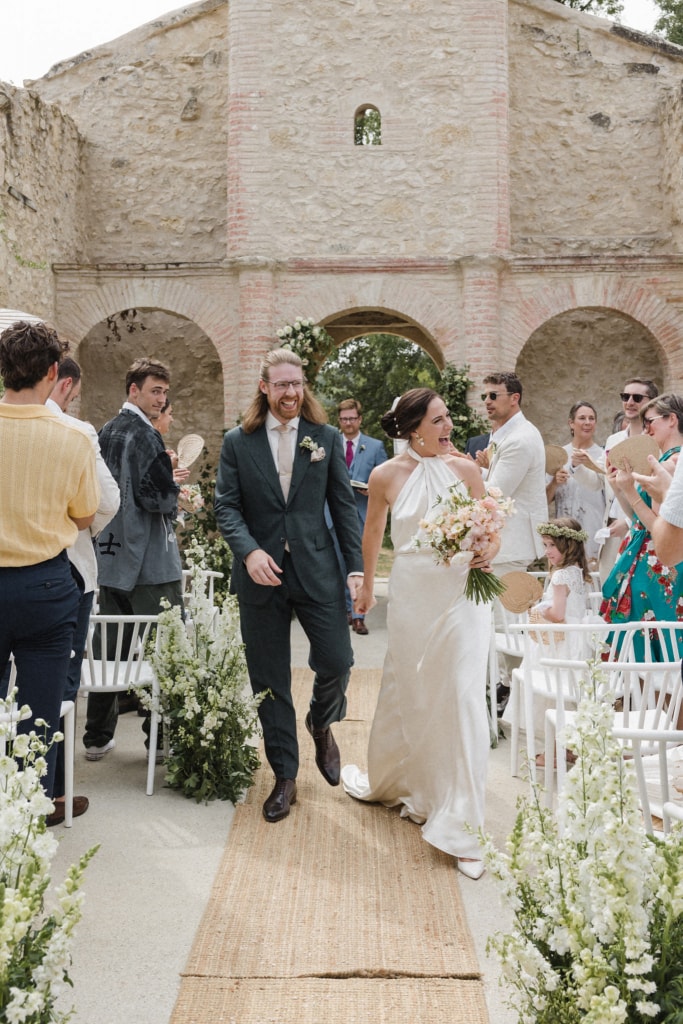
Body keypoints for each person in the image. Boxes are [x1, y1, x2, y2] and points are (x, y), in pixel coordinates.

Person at [341, 388, 499, 880]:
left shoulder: (468, 471)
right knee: (415, 691)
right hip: (413, 594)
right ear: (414, 429)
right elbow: (372, 534)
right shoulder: (385, 475)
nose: (449, 425)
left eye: (448, 416)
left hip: (461, 593)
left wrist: (487, 549)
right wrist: (366, 587)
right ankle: (415, 783)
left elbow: (492, 528)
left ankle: (464, 828)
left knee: (464, 695)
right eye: (439, 419)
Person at [214, 348, 363, 824]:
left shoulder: (325, 437)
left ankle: (321, 722)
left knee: (338, 661)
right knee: (270, 679)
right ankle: (285, 776)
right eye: (281, 385)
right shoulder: (239, 442)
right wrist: (250, 551)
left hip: (317, 569)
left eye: (296, 385)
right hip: (260, 576)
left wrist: (356, 569)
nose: (291, 393)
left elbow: (342, 507)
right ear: (265, 388)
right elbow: (226, 508)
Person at [0, 321, 99, 799]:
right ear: (53, 371)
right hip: (45, 587)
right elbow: (83, 517)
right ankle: (30, 816)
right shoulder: (75, 437)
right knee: (39, 714)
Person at [83, 358, 189, 759]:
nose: (161, 399)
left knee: (108, 650)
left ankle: (95, 738)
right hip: (148, 560)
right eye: (154, 391)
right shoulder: (145, 435)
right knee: (167, 650)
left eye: (164, 391)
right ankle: (160, 742)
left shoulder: (105, 430)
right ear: (133, 391)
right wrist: (176, 489)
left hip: (108, 555)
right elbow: (156, 498)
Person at [45, 357, 120, 824]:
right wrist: (80, 526)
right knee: (60, 685)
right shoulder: (77, 432)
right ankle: (52, 793)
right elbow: (107, 501)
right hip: (67, 570)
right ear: (63, 381)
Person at [601, 393, 683, 660]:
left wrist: (632, 494)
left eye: (650, 422)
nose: (645, 429)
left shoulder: (671, 465)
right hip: (646, 553)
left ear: (672, 420)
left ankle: (652, 697)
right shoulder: (667, 460)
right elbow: (637, 519)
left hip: (657, 561)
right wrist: (620, 488)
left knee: (652, 639)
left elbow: (658, 525)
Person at [476, 372, 547, 577]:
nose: (487, 402)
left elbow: (496, 492)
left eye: (493, 396)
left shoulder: (520, 438)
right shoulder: (506, 432)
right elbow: (496, 476)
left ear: (514, 398)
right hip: (505, 542)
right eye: (485, 397)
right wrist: (467, 466)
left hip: (512, 541)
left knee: (506, 609)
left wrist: (463, 472)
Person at [333, 398, 387, 635]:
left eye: (352, 418)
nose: (348, 423)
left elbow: (386, 478)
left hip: (363, 513)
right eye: (344, 419)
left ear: (360, 419)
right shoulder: (330, 442)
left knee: (362, 565)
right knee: (338, 564)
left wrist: (373, 489)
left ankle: (359, 615)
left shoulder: (374, 447)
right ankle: (345, 609)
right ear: (339, 420)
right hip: (332, 514)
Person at [599, 378, 659, 582]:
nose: (629, 402)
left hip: (643, 527)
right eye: (625, 397)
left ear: (651, 402)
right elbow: (606, 482)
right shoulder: (613, 441)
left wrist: (628, 521)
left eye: (637, 397)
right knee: (610, 591)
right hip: (611, 528)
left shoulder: (656, 442)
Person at [545, 401, 605, 565]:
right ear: (571, 423)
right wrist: (554, 483)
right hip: (564, 531)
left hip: (594, 529)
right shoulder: (559, 455)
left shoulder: (602, 456)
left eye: (591, 418)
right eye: (582, 418)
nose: (587, 423)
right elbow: (544, 499)